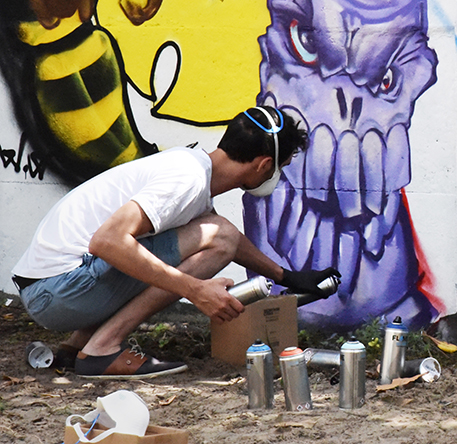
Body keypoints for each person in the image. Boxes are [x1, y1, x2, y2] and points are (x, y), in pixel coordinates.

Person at [10, 106, 340, 379]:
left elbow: (222, 235)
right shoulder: (187, 179)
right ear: (264, 164)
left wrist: (285, 276)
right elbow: (108, 241)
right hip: (57, 291)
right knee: (216, 238)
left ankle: (78, 345)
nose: (276, 176)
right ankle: (102, 349)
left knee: (215, 235)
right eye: (280, 168)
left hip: (53, 288)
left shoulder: (193, 167)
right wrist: (195, 290)